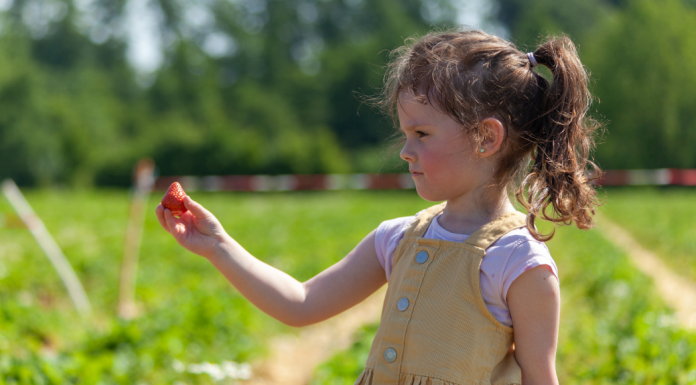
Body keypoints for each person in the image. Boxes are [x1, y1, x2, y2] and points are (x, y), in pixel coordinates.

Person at [156, 28, 601, 385]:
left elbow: (540, 378)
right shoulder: (397, 238)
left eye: (422, 135)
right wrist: (218, 245)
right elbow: (301, 303)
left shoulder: (519, 262)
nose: (406, 151)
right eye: (405, 134)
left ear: (486, 138)